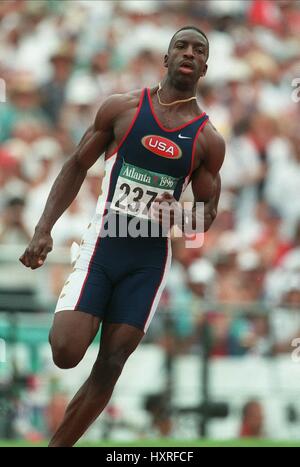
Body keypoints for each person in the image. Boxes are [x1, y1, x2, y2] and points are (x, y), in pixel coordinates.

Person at [20, 26, 225, 447]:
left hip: (148, 260)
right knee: (65, 349)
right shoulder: (123, 109)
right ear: (166, 60)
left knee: (111, 363)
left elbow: (207, 214)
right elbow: (76, 165)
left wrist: (182, 216)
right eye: (181, 46)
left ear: (205, 66)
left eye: (198, 50)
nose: (189, 53)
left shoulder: (207, 140)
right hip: (103, 244)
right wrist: (44, 229)